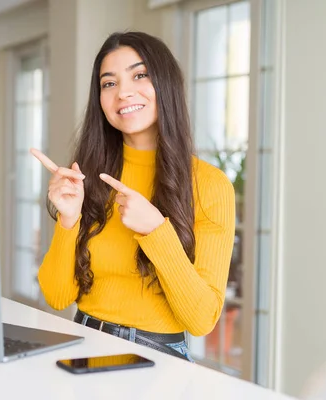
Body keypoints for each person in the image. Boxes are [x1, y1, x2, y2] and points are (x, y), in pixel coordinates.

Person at [30, 31, 235, 362]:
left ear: (166, 85)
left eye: (139, 75)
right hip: (83, 340)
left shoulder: (210, 185)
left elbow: (201, 320)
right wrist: (69, 219)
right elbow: (57, 296)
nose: (123, 92)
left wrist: (156, 230)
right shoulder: (88, 177)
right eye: (109, 83)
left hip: (158, 356)